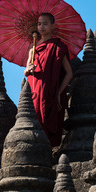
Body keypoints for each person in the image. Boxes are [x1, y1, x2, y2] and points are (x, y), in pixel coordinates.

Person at [24, 13, 73, 147]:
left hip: (51, 90)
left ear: (52, 26)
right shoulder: (32, 48)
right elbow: (25, 71)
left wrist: (59, 92)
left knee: (49, 121)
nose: (41, 27)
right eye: (39, 24)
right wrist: (29, 69)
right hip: (35, 89)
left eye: (45, 24)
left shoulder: (58, 47)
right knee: (34, 119)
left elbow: (69, 73)